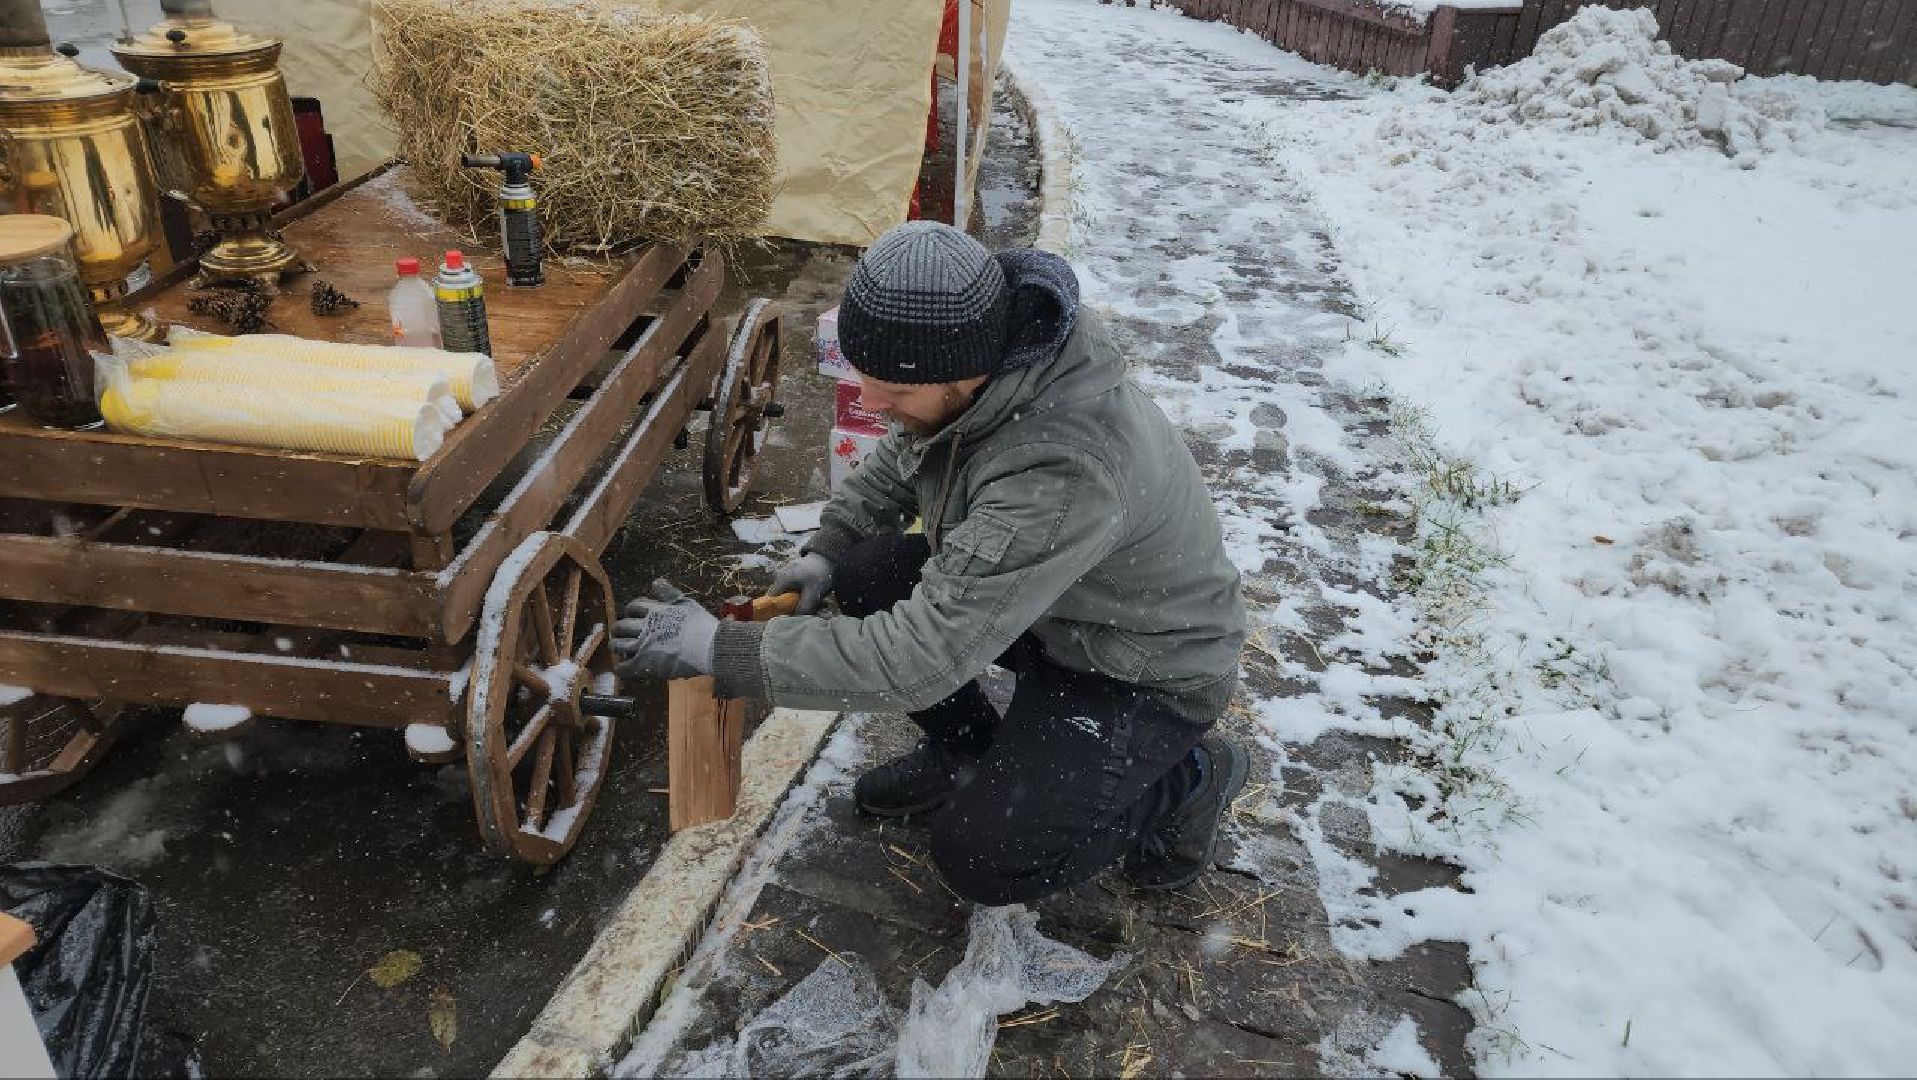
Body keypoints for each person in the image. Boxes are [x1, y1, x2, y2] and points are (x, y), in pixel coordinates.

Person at [614, 221, 1249, 904]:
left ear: (963, 371)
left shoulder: (1059, 470)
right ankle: (968, 755)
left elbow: (921, 659)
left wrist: (723, 648)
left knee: (984, 860)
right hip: (1052, 610)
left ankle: (1193, 777)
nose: (870, 401)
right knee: (864, 572)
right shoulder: (988, 372)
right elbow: (907, 451)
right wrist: (828, 545)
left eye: (892, 388)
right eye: (867, 377)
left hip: (1137, 665)